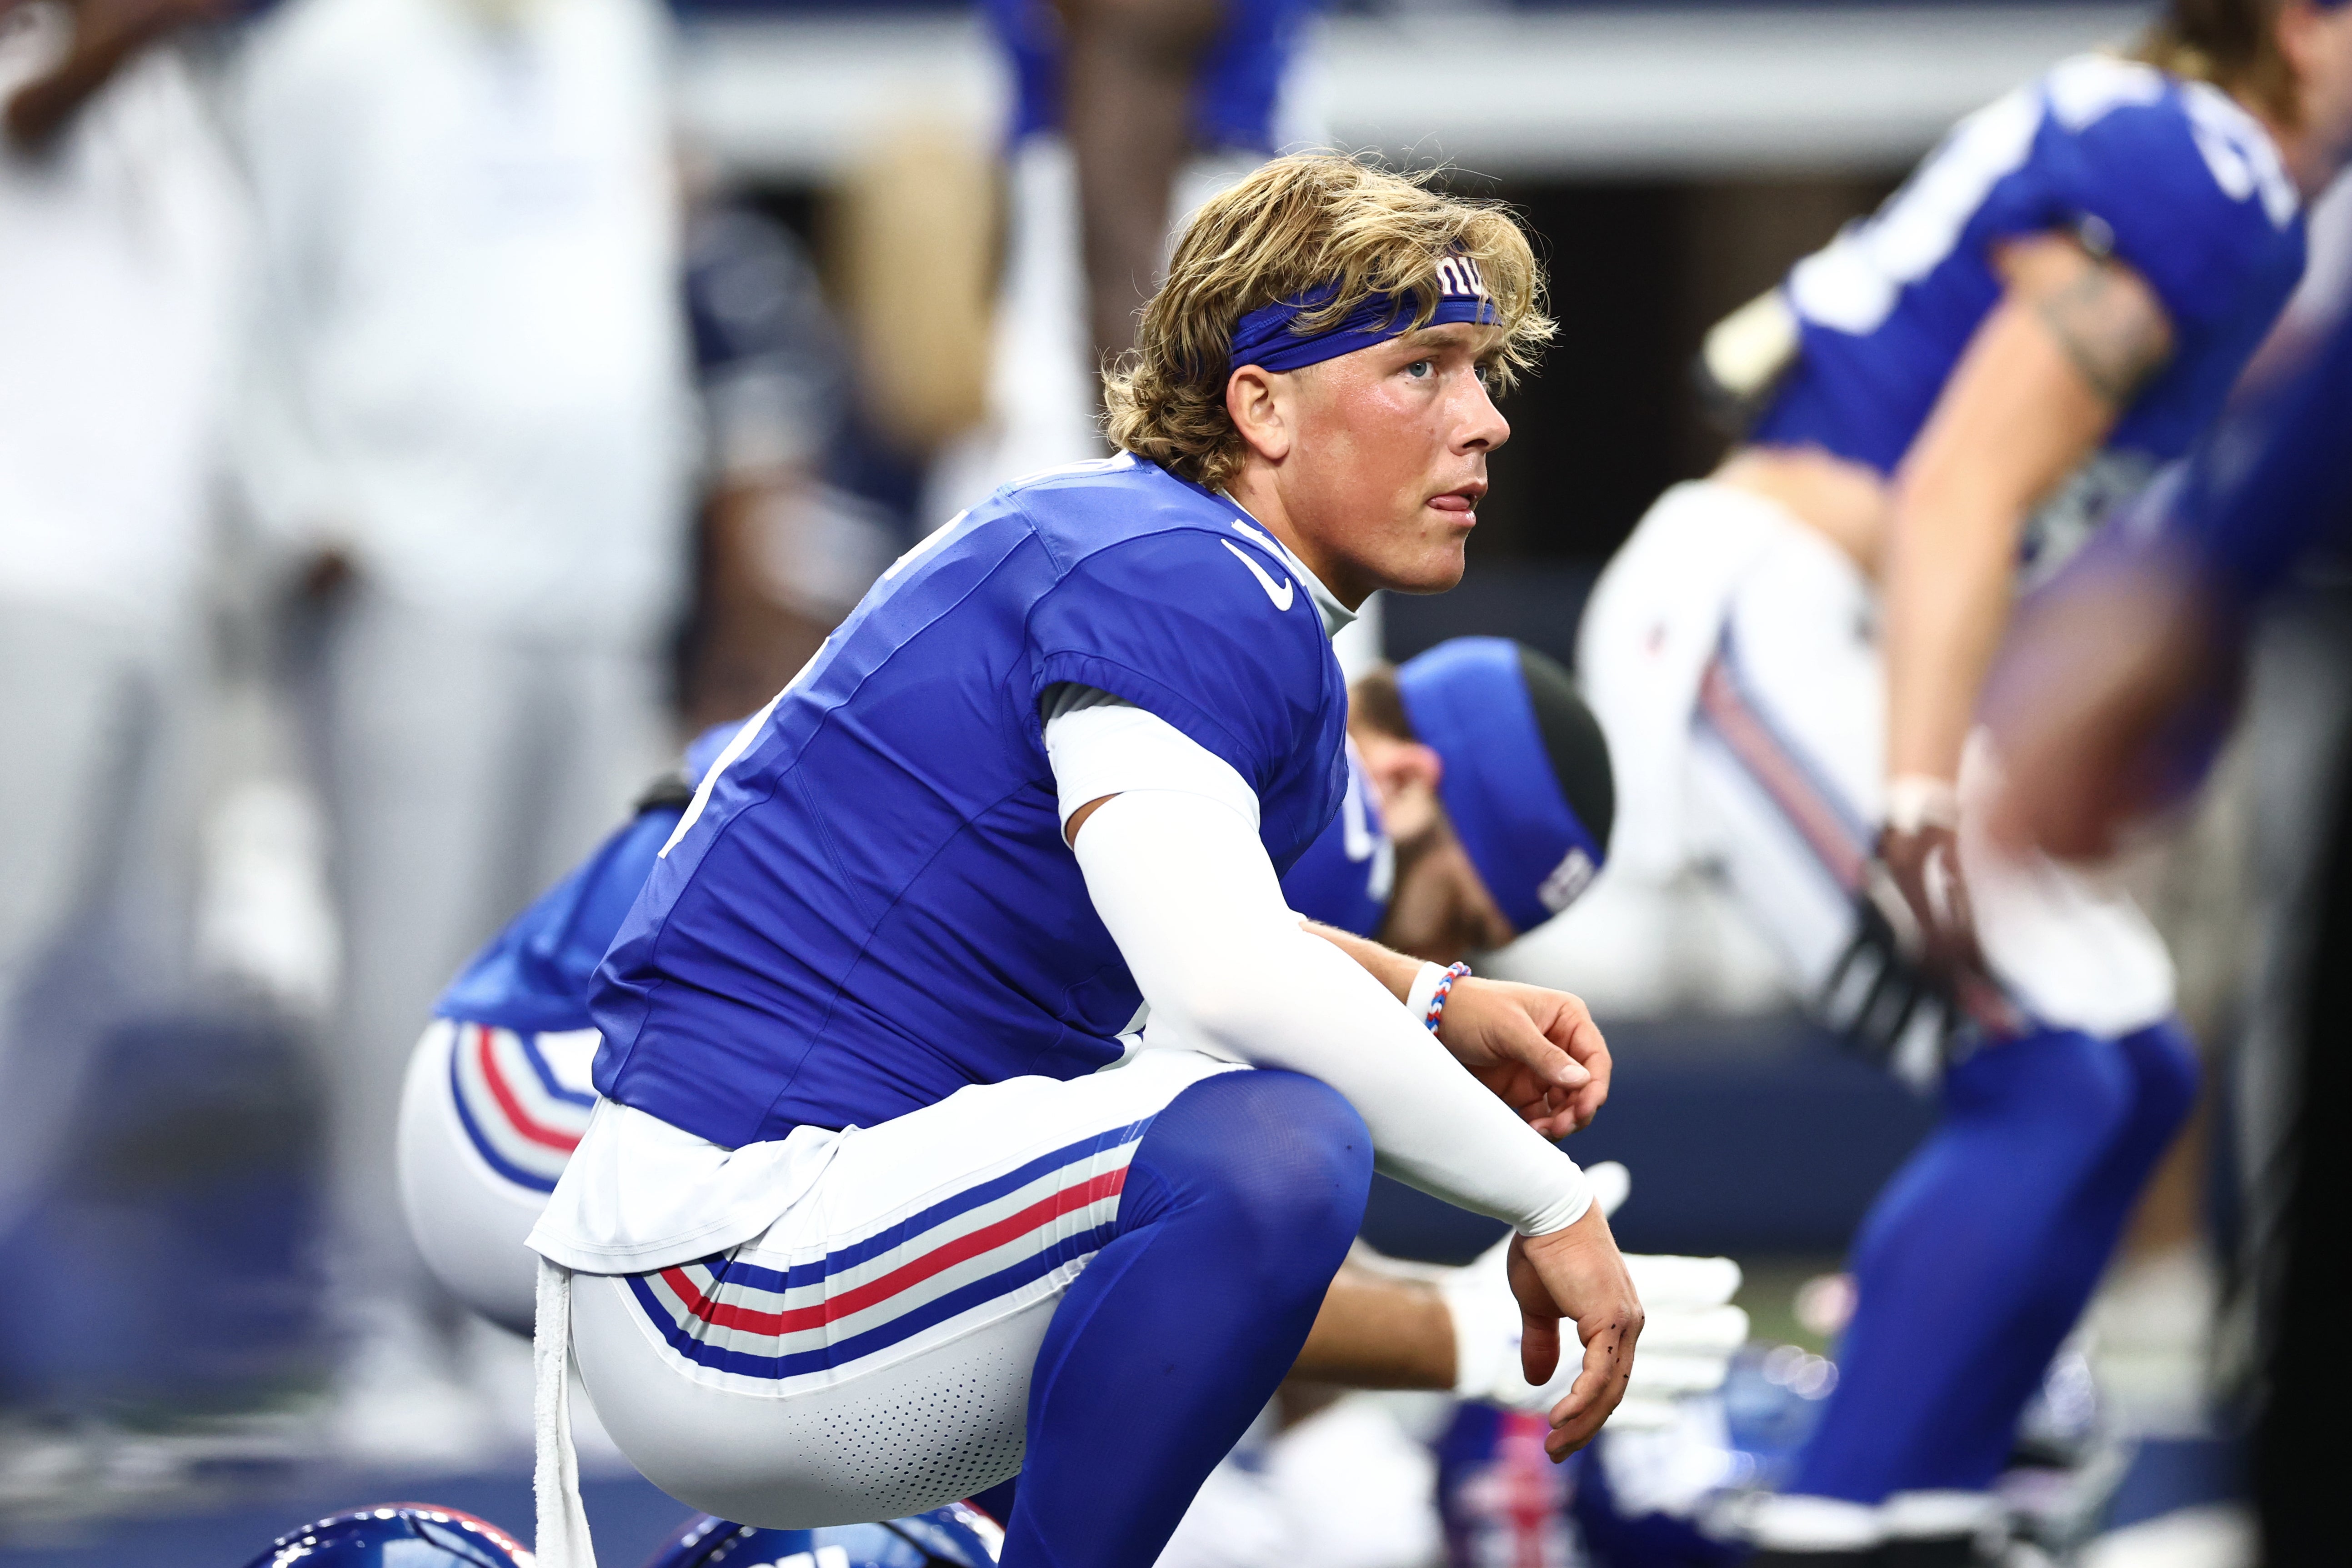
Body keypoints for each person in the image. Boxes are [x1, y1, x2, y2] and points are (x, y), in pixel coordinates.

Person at [520, 154, 1643, 1568]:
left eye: (1482, 371)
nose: (1483, 420)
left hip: (744, 1221)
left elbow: (1181, 927)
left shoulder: (1174, 558)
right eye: (1424, 367)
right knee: (1280, 1144)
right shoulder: (1184, 571)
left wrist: (1424, 997)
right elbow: (1223, 978)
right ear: (1263, 405)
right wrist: (1543, 1205)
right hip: (722, 1254)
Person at [1569, 1, 2352, 1561]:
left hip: (1837, 625)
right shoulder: (2214, 171)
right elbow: (1959, 491)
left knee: (2135, 1061)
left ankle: (1937, 1480)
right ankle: (1843, 1514)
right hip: (1766, 607)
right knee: (2057, 1057)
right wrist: (1924, 793)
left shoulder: (2186, 154)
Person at [230, 0, 693, 1453]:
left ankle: (530, 1321)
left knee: (581, 984)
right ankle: (379, 1322)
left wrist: (649, 523)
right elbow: (251, 290)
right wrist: (302, 513)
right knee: (408, 966)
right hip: (415, 570)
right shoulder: (323, 51)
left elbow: (629, 275)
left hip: (596, 570)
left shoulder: (612, 30)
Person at [1986, 287, 2352, 1568]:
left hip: (2253, 612)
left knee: (2175, 995)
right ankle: (2160, 1316)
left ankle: (2178, 1324)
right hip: (2224, 594)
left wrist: (2192, 578)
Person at [0, 0, 242, 1235]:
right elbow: (30, 110)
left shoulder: (182, 110)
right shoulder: (42, 60)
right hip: (28, 589)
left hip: (154, 602)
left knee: (102, 977)